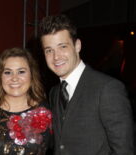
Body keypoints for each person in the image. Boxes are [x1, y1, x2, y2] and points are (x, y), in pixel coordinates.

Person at [39, 14, 134, 155]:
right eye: (49, 50)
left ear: (77, 45)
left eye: (62, 46)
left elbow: (124, 150)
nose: (56, 56)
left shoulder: (108, 89)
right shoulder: (54, 92)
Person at [0, 47, 52, 155]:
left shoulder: (46, 112)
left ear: (32, 75)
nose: (14, 78)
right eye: (7, 72)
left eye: (21, 72)